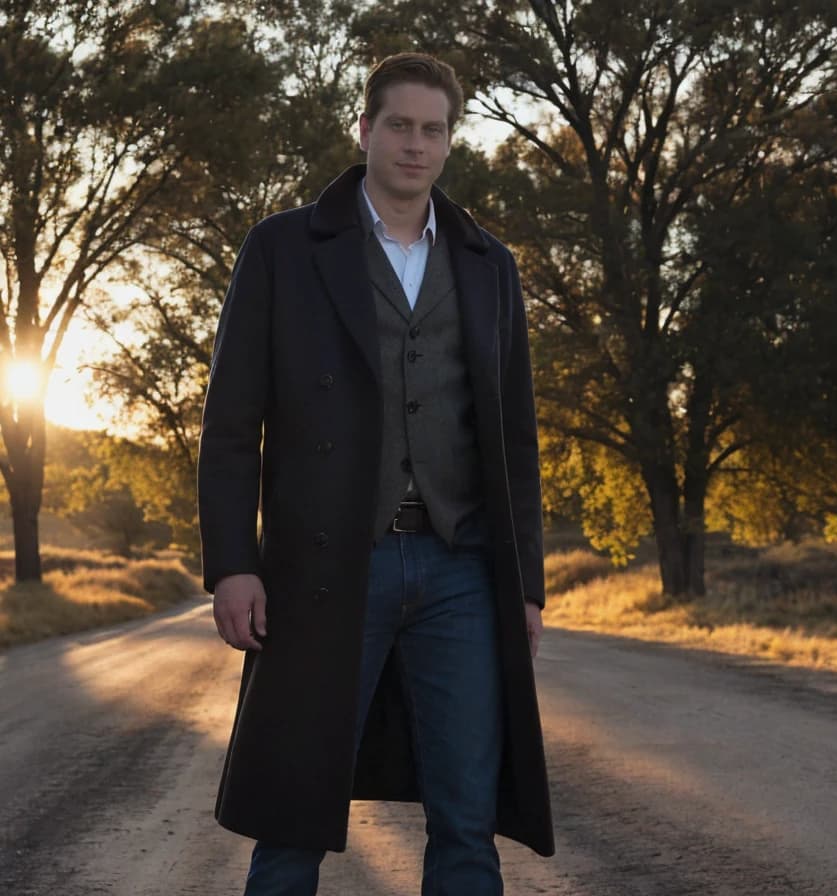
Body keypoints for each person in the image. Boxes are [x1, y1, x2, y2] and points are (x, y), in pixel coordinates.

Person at [197, 52, 555, 896]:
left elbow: (516, 438)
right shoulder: (284, 248)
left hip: (460, 566)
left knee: (467, 820)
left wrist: (526, 584)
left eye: (434, 129)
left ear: (450, 142)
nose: (415, 144)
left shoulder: (487, 263)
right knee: (292, 817)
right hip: (322, 568)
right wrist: (232, 563)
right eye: (399, 125)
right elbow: (230, 422)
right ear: (364, 130)